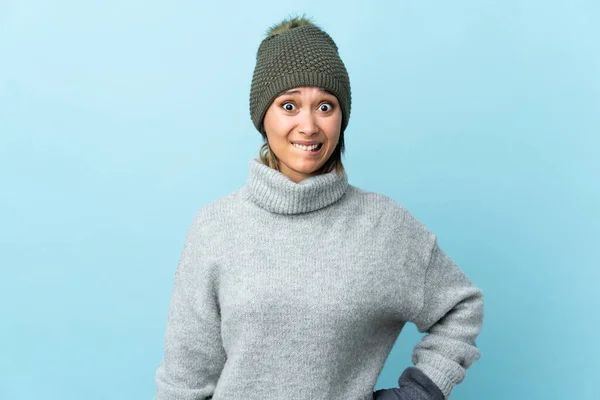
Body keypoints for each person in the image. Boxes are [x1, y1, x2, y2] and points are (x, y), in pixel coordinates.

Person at [154, 15, 484, 400]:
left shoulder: (383, 226)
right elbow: (185, 381)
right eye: (289, 105)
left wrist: (420, 393)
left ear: (341, 118)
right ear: (263, 117)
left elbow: (461, 307)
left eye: (325, 106)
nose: (308, 126)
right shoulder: (215, 227)